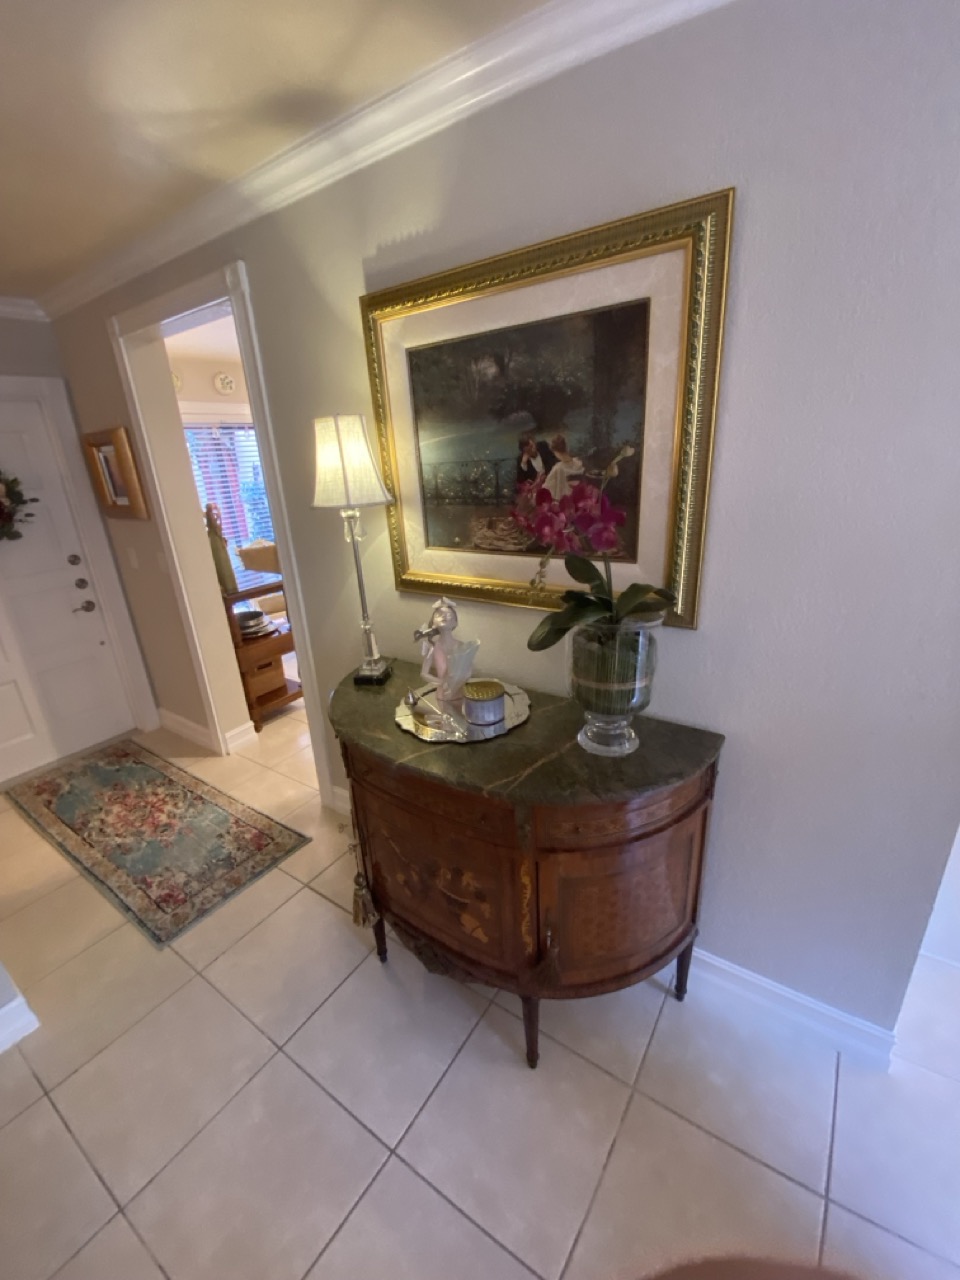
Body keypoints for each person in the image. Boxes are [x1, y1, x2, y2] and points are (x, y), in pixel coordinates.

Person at [543, 433, 584, 500]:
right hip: (580, 497)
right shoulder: (578, 463)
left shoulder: (557, 468)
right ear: (566, 447)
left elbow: (546, 489)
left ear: (555, 452)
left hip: (566, 501)